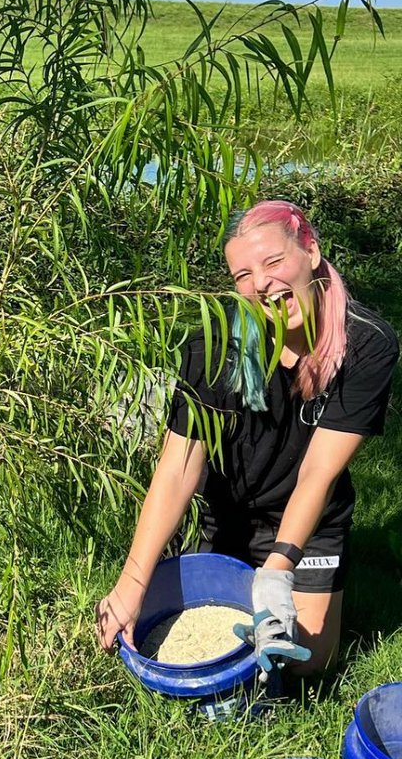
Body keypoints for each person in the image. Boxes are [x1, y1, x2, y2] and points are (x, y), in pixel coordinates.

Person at [95, 200, 398, 680]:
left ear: (312, 253)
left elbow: (319, 472)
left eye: (274, 262)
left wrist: (279, 568)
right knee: (188, 643)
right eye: (243, 274)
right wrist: (131, 584)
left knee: (307, 665)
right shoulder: (213, 351)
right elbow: (176, 471)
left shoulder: (366, 345)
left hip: (311, 517)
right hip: (225, 512)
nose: (262, 284)